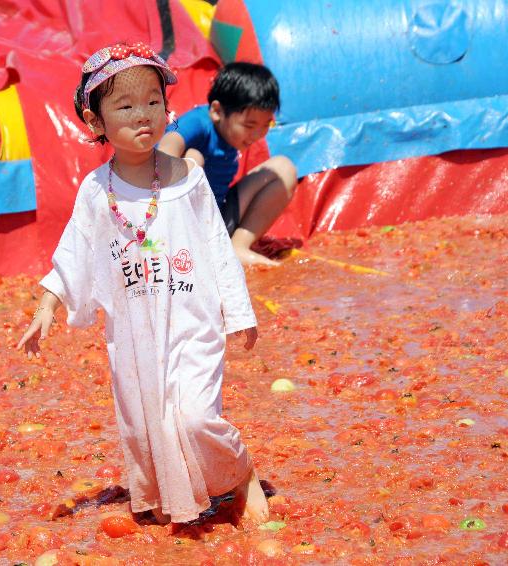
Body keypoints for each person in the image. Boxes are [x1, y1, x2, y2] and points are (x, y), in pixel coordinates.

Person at [16, 42, 270, 525]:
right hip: (134, 333)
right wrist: (47, 305)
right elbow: (74, 252)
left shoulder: (188, 180)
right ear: (97, 123)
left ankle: (241, 473)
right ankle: (174, 496)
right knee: (146, 423)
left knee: (194, 416)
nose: (144, 115)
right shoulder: (96, 191)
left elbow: (218, 248)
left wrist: (239, 314)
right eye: (126, 106)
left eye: (153, 101)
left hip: (191, 321)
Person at [158, 62, 297, 267]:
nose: (257, 135)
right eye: (249, 125)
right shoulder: (198, 121)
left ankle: (238, 247)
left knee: (283, 168)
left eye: (265, 125)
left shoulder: (231, 133)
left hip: (217, 220)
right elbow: (167, 145)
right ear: (217, 111)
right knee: (194, 157)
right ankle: (191, 250)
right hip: (180, 227)